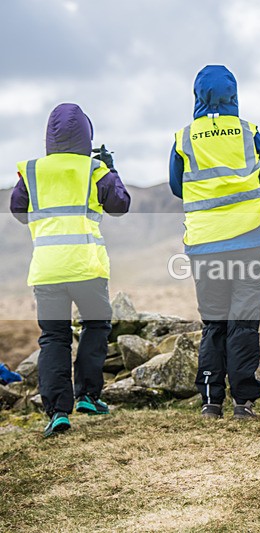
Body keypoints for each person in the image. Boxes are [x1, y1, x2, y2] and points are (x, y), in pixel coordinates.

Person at [11, 103, 130, 437]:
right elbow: (120, 206)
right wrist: (111, 169)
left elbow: (18, 210)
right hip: (87, 268)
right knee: (96, 326)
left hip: (48, 270)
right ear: (86, 135)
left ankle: (57, 411)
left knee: (54, 337)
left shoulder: (32, 171)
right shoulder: (93, 169)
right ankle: (89, 395)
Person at [170, 65, 260, 420]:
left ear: (197, 95)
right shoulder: (249, 131)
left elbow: (175, 186)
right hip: (252, 238)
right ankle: (243, 402)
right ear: (234, 94)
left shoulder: (184, 137)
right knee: (243, 322)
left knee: (214, 323)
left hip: (205, 245)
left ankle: (211, 402)